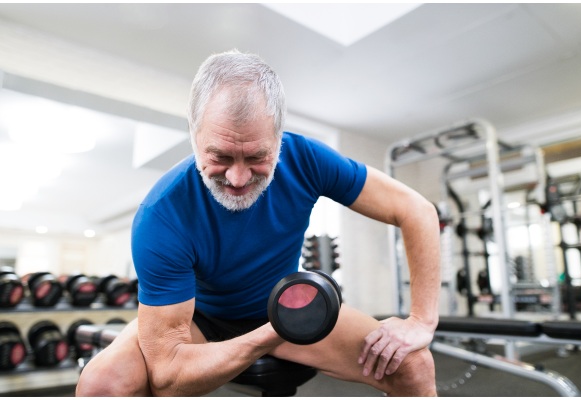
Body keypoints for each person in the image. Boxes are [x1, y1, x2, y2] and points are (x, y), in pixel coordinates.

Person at [76, 49, 441, 397]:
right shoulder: (161, 215)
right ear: (194, 133)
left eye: (256, 157)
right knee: (103, 384)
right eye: (220, 156)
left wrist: (421, 321)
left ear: (279, 138)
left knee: (413, 365)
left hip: (283, 302)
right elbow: (169, 376)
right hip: (197, 318)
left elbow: (417, 211)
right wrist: (272, 333)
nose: (237, 178)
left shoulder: (307, 160)